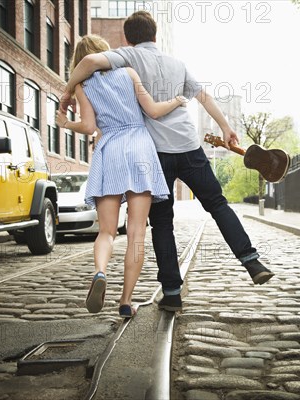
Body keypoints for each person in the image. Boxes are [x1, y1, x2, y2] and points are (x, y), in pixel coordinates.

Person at [60, 11, 274, 313]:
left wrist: (68, 91)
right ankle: (251, 260)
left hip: (154, 155)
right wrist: (226, 128)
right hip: (188, 146)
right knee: (217, 204)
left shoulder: (126, 57)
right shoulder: (177, 64)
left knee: (162, 224)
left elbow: (90, 62)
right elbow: (204, 97)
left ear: (126, 38)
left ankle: (172, 292)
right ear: (155, 35)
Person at [55, 34, 186, 318]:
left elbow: (89, 126)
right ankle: (125, 301)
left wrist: (67, 123)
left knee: (107, 231)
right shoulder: (128, 72)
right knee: (137, 233)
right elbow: (152, 110)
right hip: (140, 148)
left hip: (110, 150)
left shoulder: (82, 86)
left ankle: (100, 273)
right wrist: (176, 100)